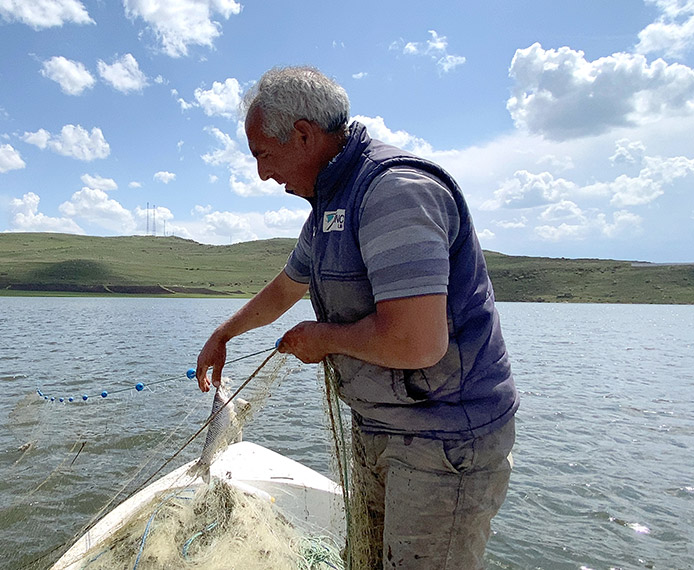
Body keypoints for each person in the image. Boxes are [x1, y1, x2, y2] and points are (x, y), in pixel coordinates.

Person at [194, 66, 518, 570]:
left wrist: (324, 337)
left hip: (445, 440)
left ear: (303, 135)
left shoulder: (392, 193)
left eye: (263, 154)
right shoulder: (328, 206)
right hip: (379, 425)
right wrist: (224, 333)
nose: (262, 173)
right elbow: (286, 288)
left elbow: (416, 342)